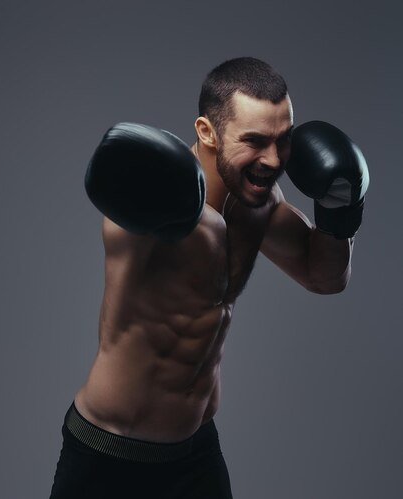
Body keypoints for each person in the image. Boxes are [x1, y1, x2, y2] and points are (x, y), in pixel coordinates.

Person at [48, 57, 369, 499]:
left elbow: (325, 277)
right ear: (206, 131)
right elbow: (119, 209)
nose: (273, 160)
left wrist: (340, 211)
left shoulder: (260, 206)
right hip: (110, 455)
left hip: (195, 455)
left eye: (283, 141)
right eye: (255, 141)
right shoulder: (159, 199)